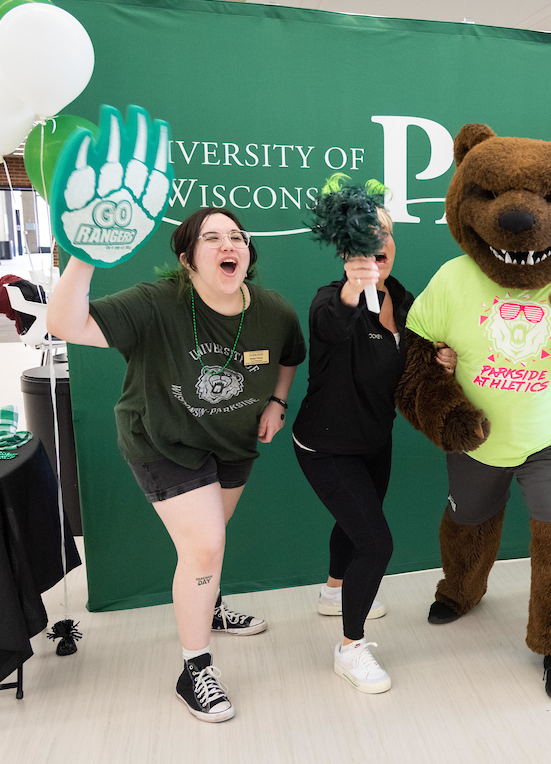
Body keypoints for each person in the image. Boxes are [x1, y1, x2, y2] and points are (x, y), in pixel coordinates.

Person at [46, 207, 305, 722]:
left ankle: (209, 606)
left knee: (208, 544)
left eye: (236, 236)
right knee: (206, 545)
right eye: (211, 238)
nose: (228, 243)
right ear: (187, 259)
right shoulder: (156, 303)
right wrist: (83, 258)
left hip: (231, 440)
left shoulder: (274, 310)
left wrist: (277, 403)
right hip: (160, 439)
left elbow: (289, 356)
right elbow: (64, 323)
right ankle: (195, 667)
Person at [293, 207, 455, 694]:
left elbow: (413, 361)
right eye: (365, 235)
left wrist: (439, 358)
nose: (377, 241)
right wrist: (351, 286)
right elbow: (331, 323)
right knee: (376, 543)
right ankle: (350, 648)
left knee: (354, 524)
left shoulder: (403, 300)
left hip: (373, 441)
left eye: (385, 231)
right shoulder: (330, 300)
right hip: (324, 446)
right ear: (346, 250)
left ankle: (332, 591)